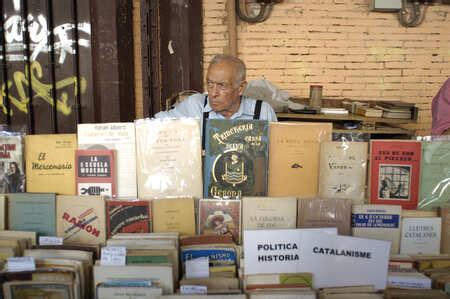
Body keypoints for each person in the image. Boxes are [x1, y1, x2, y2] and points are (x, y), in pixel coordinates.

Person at [155, 54, 277, 127]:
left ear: (241, 88)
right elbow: (154, 125)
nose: (213, 93)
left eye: (222, 85)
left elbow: (277, 154)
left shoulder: (262, 112)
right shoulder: (195, 106)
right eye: (210, 84)